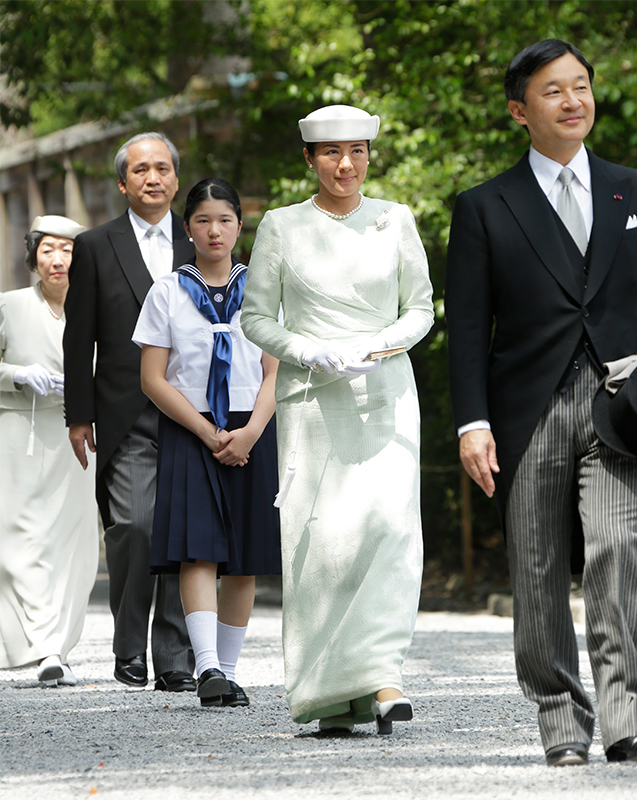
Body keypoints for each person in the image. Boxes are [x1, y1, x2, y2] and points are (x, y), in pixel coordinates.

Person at [445, 40, 637, 766]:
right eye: (553, 91)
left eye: (579, 86)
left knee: (620, 550)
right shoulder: (484, 206)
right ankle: (559, 721)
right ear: (520, 111)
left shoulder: (635, 188)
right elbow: (466, 327)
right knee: (538, 566)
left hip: (620, 405)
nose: (572, 100)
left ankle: (629, 721)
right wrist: (472, 422)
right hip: (525, 411)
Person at [240, 105, 434, 734]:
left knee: (390, 531)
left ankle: (384, 679)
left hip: (385, 393)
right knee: (323, 542)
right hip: (313, 401)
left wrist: (377, 348)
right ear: (309, 159)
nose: (345, 164)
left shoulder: (394, 218)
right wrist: (310, 350)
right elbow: (257, 318)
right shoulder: (280, 226)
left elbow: (422, 308)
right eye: (330, 153)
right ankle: (329, 693)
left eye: (356, 151)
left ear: (370, 155)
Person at [132, 178, 281, 708]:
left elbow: (274, 372)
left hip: (252, 427)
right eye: (201, 220)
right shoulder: (167, 292)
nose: (214, 230)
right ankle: (208, 668)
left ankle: (231, 670)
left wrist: (251, 433)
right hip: (190, 425)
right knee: (199, 549)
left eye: (224, 220)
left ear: (240, 227)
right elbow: (153, 378)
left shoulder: (264, 291)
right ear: (186, 228)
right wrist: (205, 430)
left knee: (244, 557)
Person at [63, 132, 196, 690]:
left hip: (193, 411)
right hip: (125, 413)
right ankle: (128, 644)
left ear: (175, 178)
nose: (153, 178)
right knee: (136, 527)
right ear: (123, 182)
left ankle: (174, 658)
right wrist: (78, 414)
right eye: (140, 170)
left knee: (182, 529)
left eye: (162, 168)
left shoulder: (201, 239)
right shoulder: (97, 244)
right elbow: (79, 336)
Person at [0, 215, 98, 686]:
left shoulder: (96, 309)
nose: (58, 260)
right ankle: (46, 647)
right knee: (22, 536)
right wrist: (16, 374)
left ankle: (55, 640)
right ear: (34, 257)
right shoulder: (10, 305)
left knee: (72, 541)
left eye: (68, 250)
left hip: (79, 436)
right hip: (20, 431)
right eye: (48, 250)